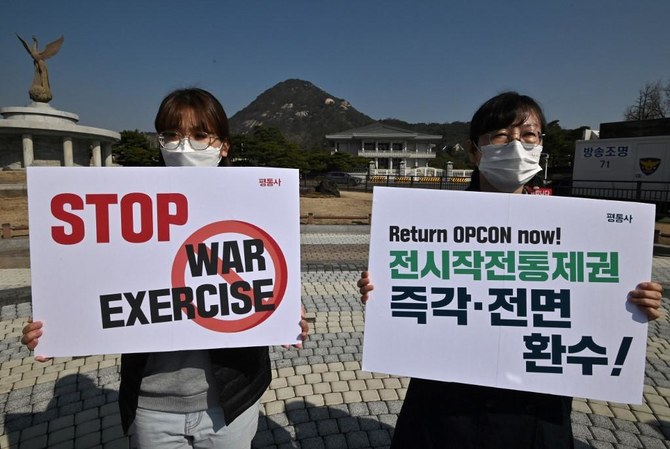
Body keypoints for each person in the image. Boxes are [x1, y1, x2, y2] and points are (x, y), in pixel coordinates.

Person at [357, 91, 664, 449]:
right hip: (445, 402)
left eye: (529, 135)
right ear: (474, 151)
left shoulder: (576, 228)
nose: (517, 145)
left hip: (534, 406)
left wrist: (632, 304)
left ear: (540, 145)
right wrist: (383, 291)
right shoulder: (431, 221)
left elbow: (591, 301)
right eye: (501, 135)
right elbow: (410, 297)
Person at [21, 87, 310, 449]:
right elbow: (99, 285)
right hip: (152, 405)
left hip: (230, 400)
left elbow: (267, 277)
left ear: (223, 145)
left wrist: (283, 312)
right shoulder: (123, 205)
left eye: (200, 135)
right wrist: (59, 326)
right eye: (171, 135)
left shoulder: (257, 203)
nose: (184, 146)